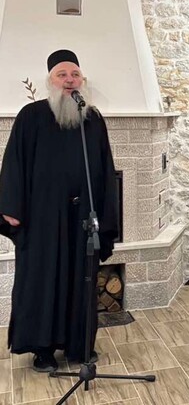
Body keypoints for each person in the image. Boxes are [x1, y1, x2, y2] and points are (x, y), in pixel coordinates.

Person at [0, 49, 118, 372]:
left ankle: (79, 345)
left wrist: (106, 215)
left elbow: (106, 169)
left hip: (83, 219)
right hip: (43, 220)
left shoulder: (93, 120)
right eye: (62, 75)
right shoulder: (31, 115)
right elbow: (13, 163)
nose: (69, 80)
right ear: (50, 81)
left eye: (75, 75)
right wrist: (10, 208)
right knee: (43, 281)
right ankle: (43, 349)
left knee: (82, 281)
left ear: (82, 81)